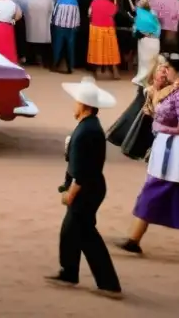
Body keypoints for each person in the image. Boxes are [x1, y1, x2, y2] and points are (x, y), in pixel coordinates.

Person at [46, 76, 121, 299]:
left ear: (84, 105)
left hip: (86, 189)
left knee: (82, 232)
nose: (74, 105)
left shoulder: (87, 131)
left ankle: (103, 281)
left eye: (76, 101)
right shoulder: (89, 126)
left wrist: (70, 193)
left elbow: (81, 171)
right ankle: (71, 272)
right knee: (75, 231)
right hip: (91, 186)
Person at [117, 53, 179, 253]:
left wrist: (161, 127)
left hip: (174, 151)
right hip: (167, 148)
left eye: (168, 68)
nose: (165, 71)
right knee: (164, 193)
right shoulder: (173, 91)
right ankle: (133, 240)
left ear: (176, 71)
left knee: (152, 190)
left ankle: (133, 240)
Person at [87, 0, 120, 80]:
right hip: (108, 28)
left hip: (97, 28)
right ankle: (114, 70)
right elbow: (113, 13)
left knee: (98, 49)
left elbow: (89, 13)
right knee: (110, 50)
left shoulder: (94, 1)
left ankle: (99, 70)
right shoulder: (112, 4)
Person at [131, 0, 161, 81]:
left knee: (144, 60)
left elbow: (135, 28)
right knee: (151, 60)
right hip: (154, 39)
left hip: (146, 39)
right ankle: (150, 77)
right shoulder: (153, 14)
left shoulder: (141, 15)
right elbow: (158, 27)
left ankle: (145, 77)